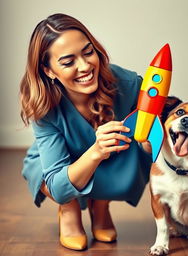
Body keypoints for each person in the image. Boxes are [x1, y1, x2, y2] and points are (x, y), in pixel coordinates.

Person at [20, 13, 152, 251]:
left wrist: (152, 140)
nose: (85, 66)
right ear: (48, 70)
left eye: (88, 52)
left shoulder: (128, 84)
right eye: (68, 62)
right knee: (57, 183)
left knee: (132, 149)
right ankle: (70, 211)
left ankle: (100, 206)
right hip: (59, 164)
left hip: (114, 161)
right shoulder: (44, 106)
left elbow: (149, 143)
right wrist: (96, 151)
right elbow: (58, 187)